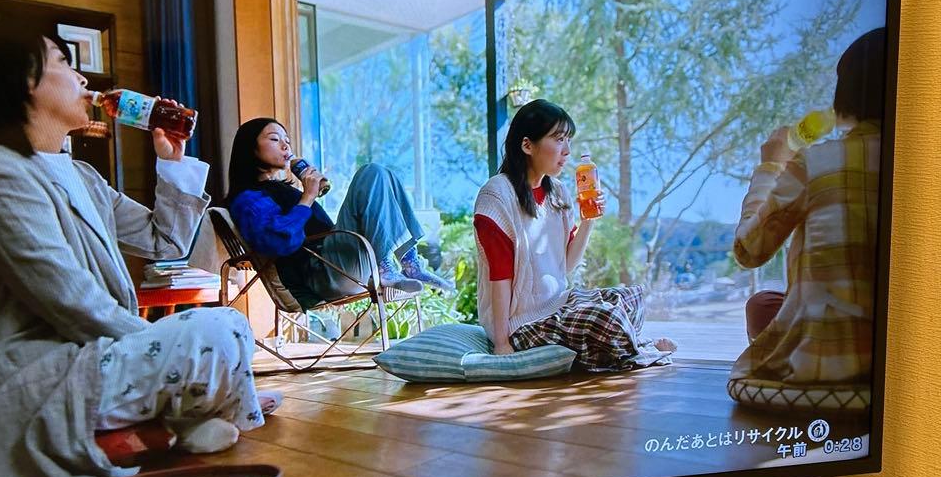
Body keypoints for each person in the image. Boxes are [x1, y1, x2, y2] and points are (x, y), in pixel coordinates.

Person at [0, 25, 272, 477]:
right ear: (20, 82)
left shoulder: (83, 175)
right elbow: (71, 300)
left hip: (89, 353)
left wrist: (170, 162)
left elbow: (164, 241)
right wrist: (164, 346)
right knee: (218, 331)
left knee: (226, 330)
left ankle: (158, 427)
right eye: (63, 62)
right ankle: (178, 419)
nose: (82, 78)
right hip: (30, 372)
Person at [728, 28, 884, 413]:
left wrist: (770, 166)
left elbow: (748, 250)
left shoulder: (818, 161)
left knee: (761, 305)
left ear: (846, 96)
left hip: (828, 367)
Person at [473, 99, 675, 368]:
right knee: (605, 320)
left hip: (557, 305)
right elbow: (500, 276)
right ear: (527, 145)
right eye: (558, 139)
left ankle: (632, 344)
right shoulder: (497, 196)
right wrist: (501, 343)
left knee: (629, 296)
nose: (567, 150)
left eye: (568, 140)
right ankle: (640, 348)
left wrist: (588, 220)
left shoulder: (558, 192)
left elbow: (566, 266)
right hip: (521, 324)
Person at [224, 118, 452, 309]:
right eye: (275, 139)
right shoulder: (247, 199)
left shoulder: (281, 190)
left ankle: (410, 265)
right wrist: (308, 197)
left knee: (384, 175)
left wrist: (308, 195)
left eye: (287, 140)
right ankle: (386, 268)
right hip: (322, 274)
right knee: (370, 173)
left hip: (336, 263)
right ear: (250, 148)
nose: (285, 146)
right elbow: (280, 241)